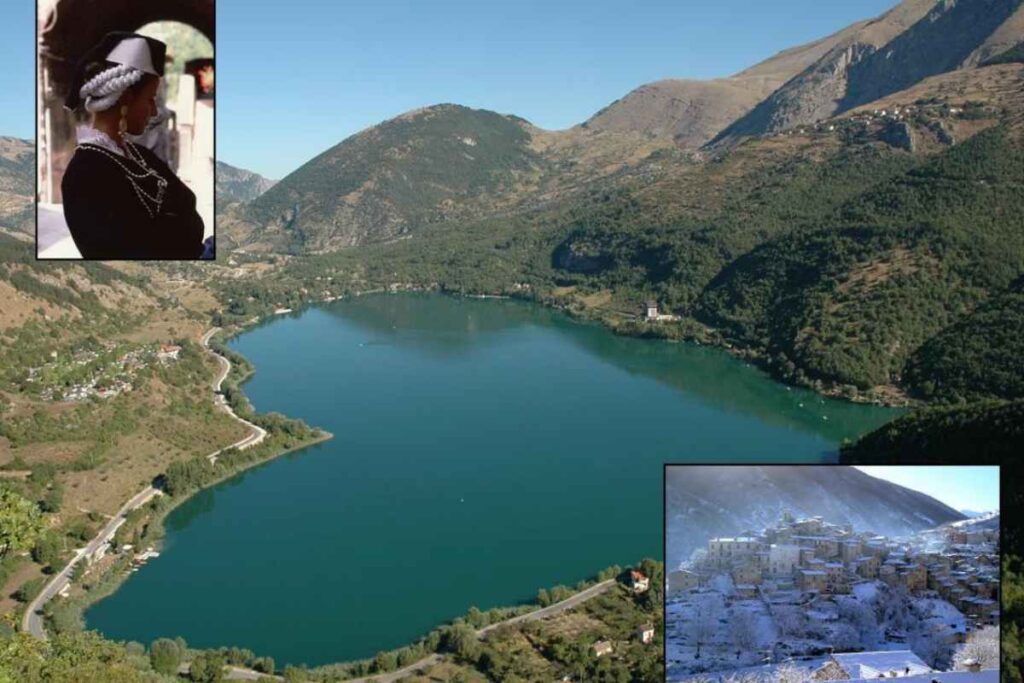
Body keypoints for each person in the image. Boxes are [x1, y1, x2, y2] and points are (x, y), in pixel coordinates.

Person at [62, 32, 207, 260]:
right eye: (150, 99)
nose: (155, 111)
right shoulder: (85, 174)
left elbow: (186, 216)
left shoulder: (140, 154)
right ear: (126, 98)